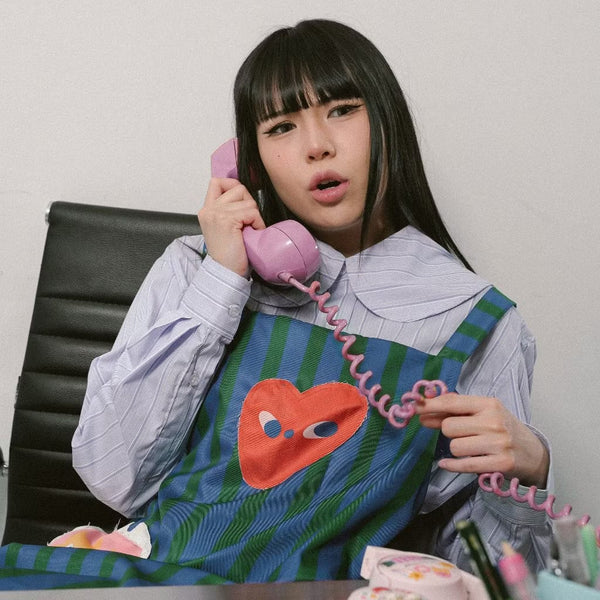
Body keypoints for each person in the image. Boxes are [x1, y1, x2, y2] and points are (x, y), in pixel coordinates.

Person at [71, 19, 552, 582]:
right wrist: (221, 282)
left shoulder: (477, 322)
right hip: (155, 581)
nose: (317, 145)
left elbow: (492, 581)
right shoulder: (195, 267)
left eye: (342, 110)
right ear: (250, 162)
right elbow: (115, 476)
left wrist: (530, 473)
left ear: (389, 124)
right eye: (280, 127)